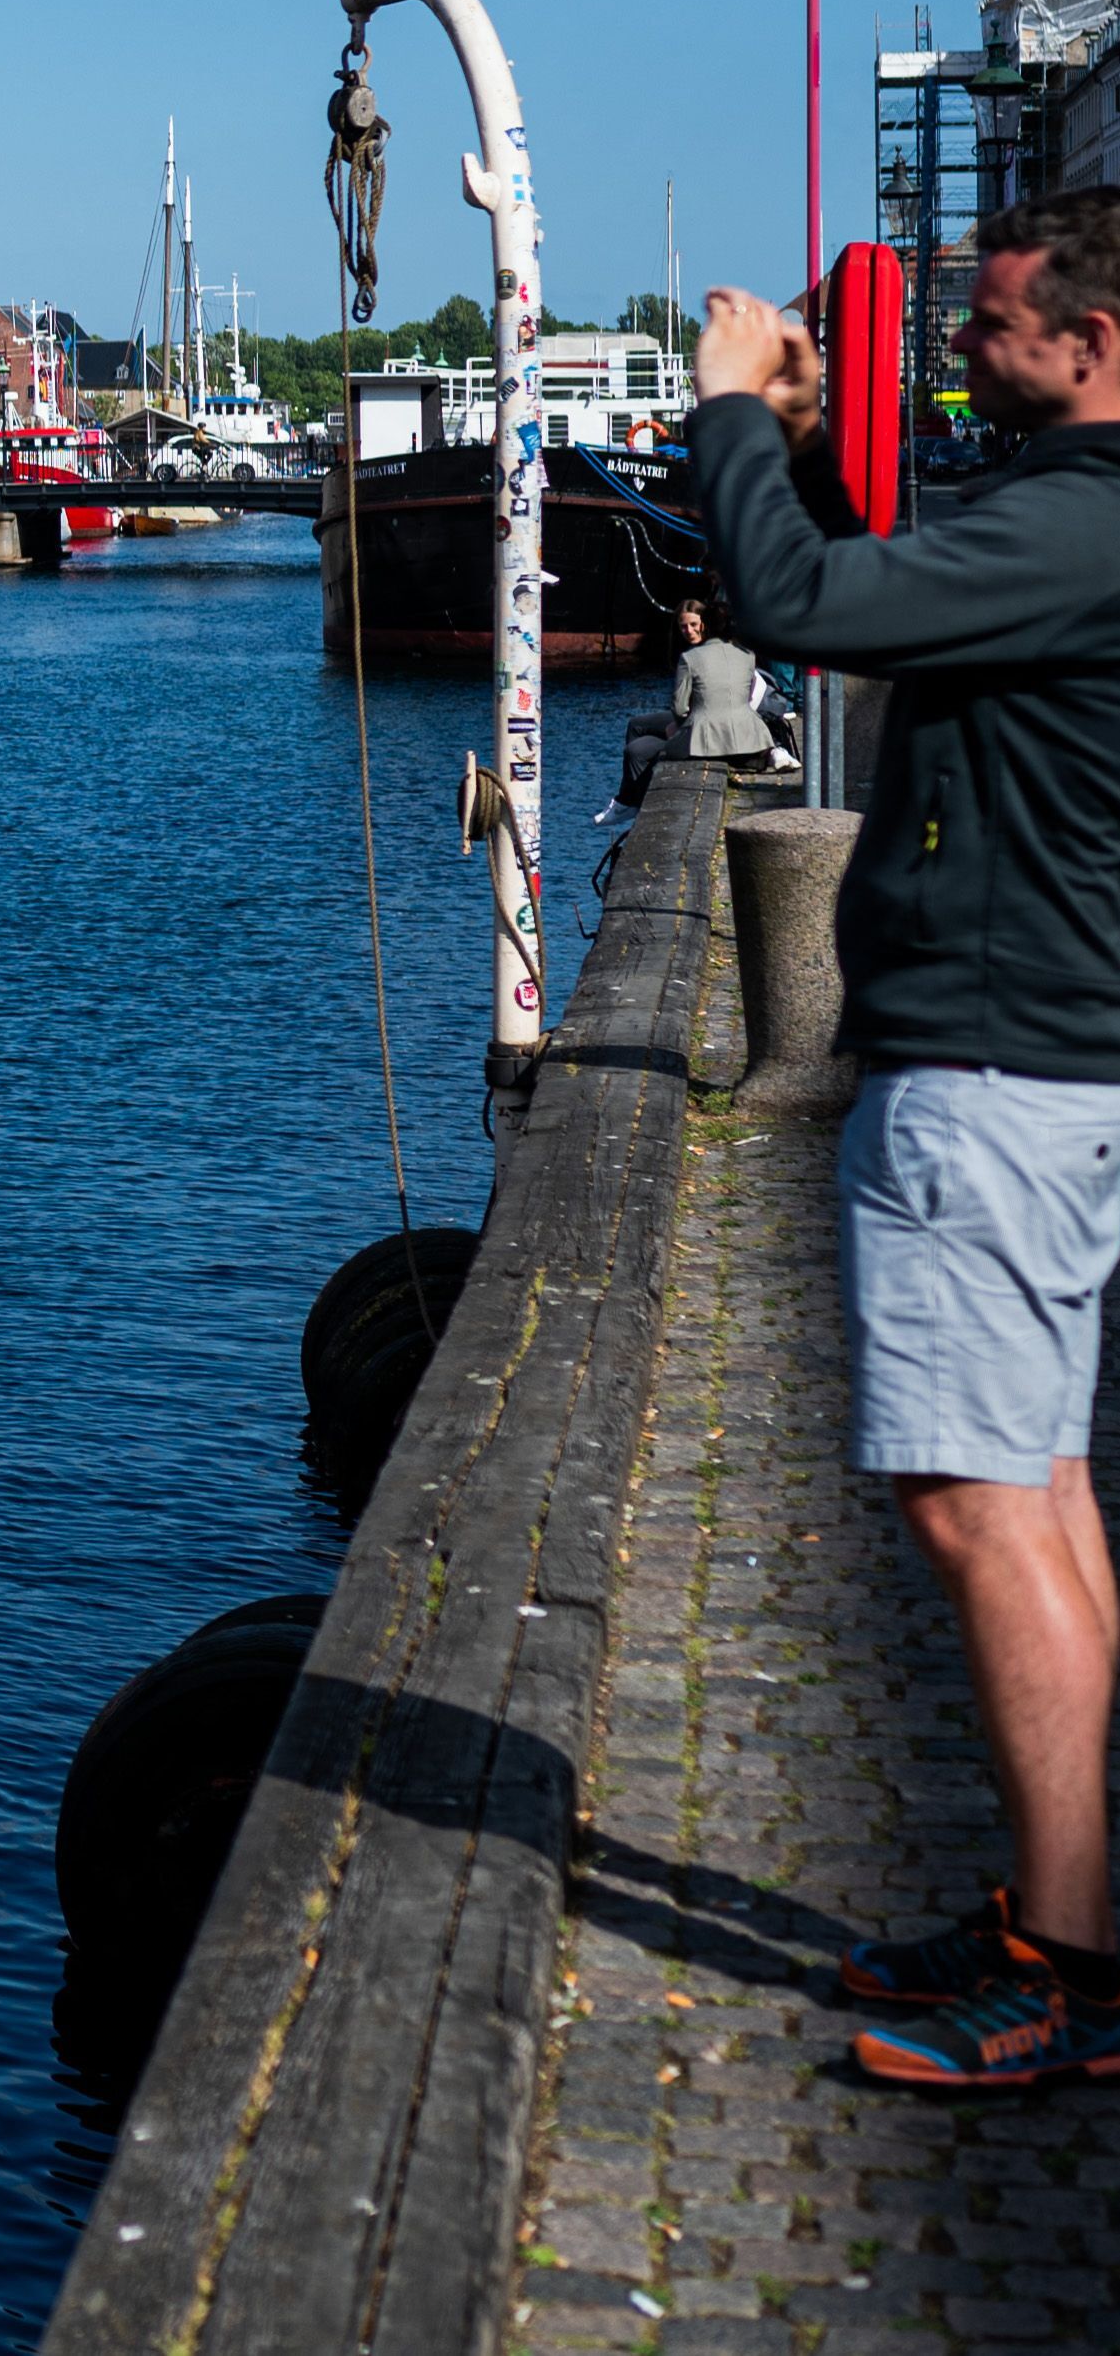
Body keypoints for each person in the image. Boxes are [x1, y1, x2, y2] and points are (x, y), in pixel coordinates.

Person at [693, 197, 1120, 2091]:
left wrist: (719, 417)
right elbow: (891, 587)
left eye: (1000, 326)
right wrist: (795, 442)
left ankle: (1070, 1965)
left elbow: (802, 610)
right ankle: (1071, 1908)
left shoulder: (1083, 515)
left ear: (1096, 343)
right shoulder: (1060, 516)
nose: (964, 351)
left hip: (993, 1070)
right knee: (1038, 1479)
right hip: (1047, 1063)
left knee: (971, 1501)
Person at [663, 599, 780, 771]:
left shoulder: (690, 658)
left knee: (649, 747)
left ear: (704, 626)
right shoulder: (748, 655)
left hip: (703, 741)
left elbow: (679, 709)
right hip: (751, 737)